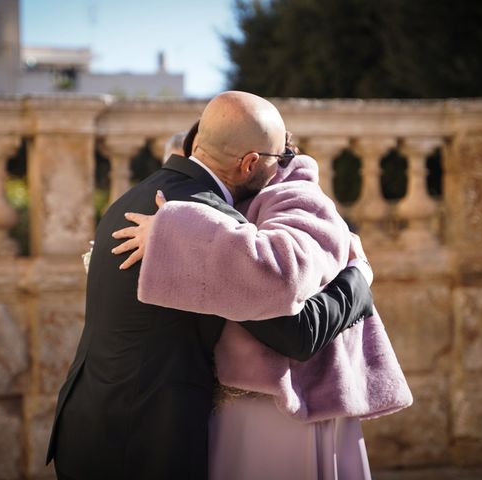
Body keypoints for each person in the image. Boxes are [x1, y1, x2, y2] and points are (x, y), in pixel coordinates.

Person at [46, 91, 375, 480]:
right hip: (143, 440)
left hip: (89, 419)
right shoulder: (204, 223)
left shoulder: (135, 197)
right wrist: (358, 276)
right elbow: (295, 333)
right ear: (250, 162)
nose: (281, 171)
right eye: (279, 160)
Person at [112, 132, 412, 479]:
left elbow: (292, 321)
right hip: (238, 403)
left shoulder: (295, 198)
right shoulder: (231, 207)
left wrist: (177, 232)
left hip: (283, 408)